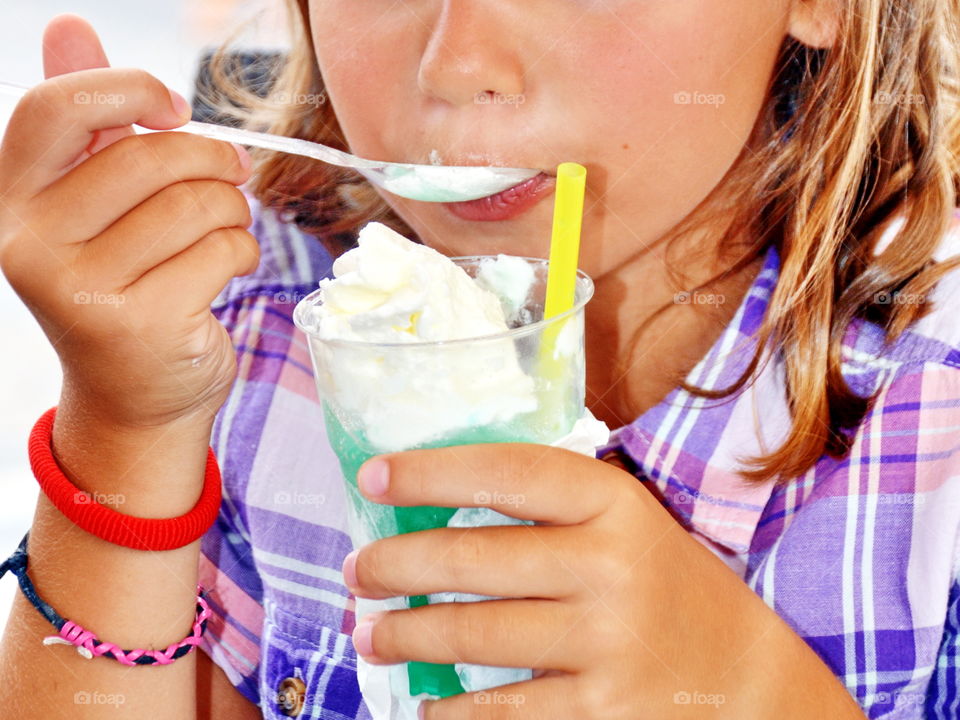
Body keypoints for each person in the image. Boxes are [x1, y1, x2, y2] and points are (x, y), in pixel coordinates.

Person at [1, 2, 959, 718]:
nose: (458, 64)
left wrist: (757, 694)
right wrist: (128, 428)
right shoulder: (250, 307)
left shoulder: (935, 414)